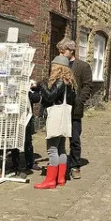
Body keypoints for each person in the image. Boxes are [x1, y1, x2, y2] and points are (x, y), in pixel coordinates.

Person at [34, 55, 77, 189]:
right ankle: (60, 178)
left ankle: (50, 181)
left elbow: (50, 96)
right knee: (61, 149)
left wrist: (41, 84)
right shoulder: (70, 83)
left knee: (52, 150)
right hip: (64, 119)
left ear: (58, 67)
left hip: (56, 118)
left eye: (53, 66)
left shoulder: (60, 82)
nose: (51, 69)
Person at [57, 38, 92, 180]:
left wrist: (79, 101)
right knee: (58, 139)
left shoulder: (83, 66)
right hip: (59, 107)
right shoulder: (58, 64)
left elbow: (88, 86)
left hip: (74, 109)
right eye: (59, 50)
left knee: (74, 139)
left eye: (63, 50)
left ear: (71, 50)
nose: (60, 53)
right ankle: (60, 164)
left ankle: (75, 165)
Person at [10, 85, 41, 172]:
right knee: (14, 140)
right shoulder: (12, 85)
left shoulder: (28, 85)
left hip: (26, 117)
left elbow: (36, 98)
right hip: (14, 116)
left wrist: (34, 89)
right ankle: (15, 163)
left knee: (27, 140)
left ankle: (29, 163)